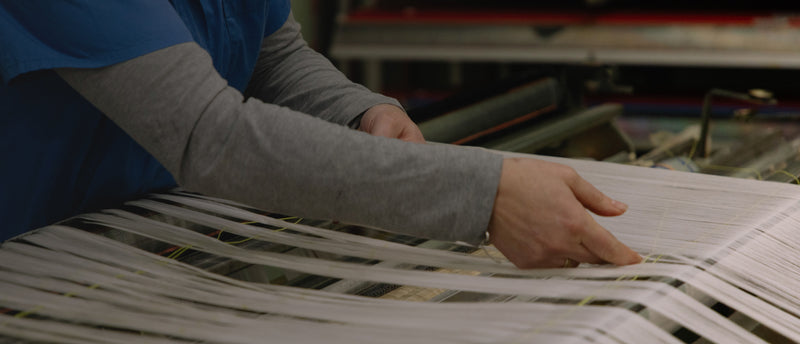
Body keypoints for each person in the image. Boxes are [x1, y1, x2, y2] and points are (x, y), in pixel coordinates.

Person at [0, 0, 640, 269]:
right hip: (33, 270)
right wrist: (485, 195)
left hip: (145, 247)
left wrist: (360, 112)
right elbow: (211, 137)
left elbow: (270, 53)